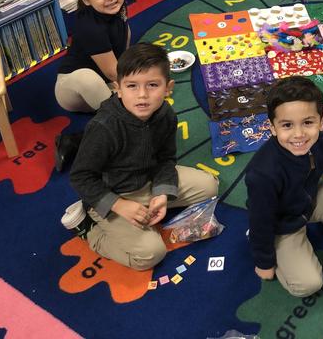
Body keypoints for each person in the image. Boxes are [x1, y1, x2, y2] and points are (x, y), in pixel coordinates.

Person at [63, 43, 219, 271]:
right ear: (118, 89)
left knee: (209, 187)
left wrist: (162, 193)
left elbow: (166, 159)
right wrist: (118, 205)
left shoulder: (165, 114)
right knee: (150, 255)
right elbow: (80, 177)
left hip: (148, 181)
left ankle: (147, 208)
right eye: (132, 86)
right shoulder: (104, 127)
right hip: (113, 193)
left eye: (153, 85)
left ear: (168, 88)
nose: (142, 95)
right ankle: (89, 229)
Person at [245, 76, 323, 297]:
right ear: (272, 127)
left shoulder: (322, 141)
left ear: (321, 121)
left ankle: (322, 222)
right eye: (287, 125)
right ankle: (282, 252)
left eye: (308, 122)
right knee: (308, 285)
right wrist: (264, 262)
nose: (299, 134)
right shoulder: (262, 173)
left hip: (306, 204)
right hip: (281, 224)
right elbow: (261, 220)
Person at [55, 0, 129, 113]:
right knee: (88, 78)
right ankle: (118, 116)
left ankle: (119, 97)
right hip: (74, 89)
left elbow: (123, 41)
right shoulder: (90, 27)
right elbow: (112, 72)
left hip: (106, 81)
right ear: (86, 0)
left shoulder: (117, 7)